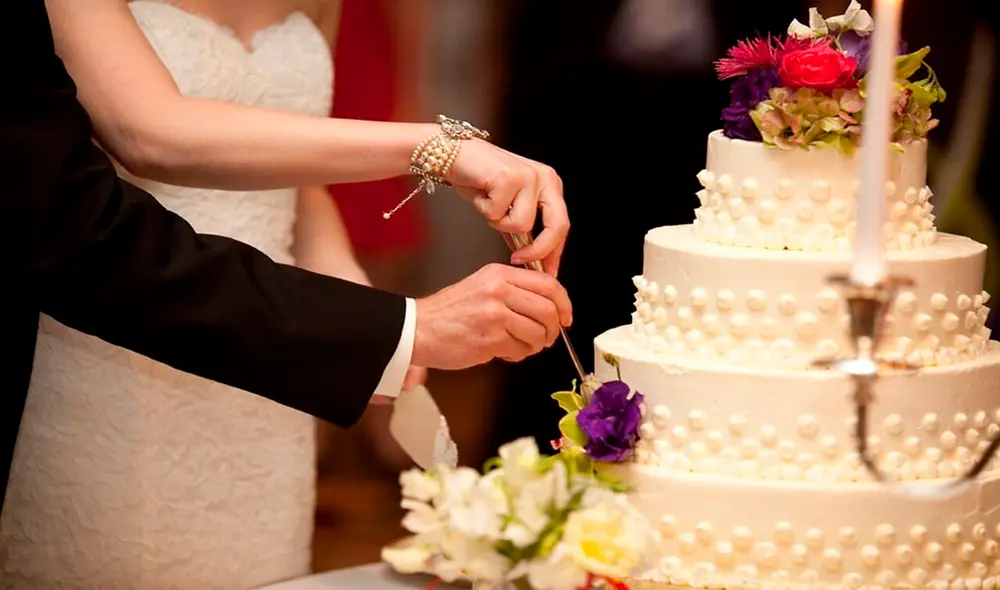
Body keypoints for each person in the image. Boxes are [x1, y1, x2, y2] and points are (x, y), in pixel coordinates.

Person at [0, 1, 571, 588]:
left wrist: (355, 297)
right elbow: (149, 132)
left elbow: (294, 166)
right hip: (129, 335)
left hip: (280, 362)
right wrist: (440, 148)